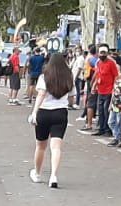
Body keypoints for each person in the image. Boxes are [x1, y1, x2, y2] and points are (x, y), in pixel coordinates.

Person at [28, 53, 74, 188]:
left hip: (44, 113)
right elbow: (72, 97)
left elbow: (41, 94)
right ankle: (53, 175)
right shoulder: (68, 77)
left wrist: (34, 112)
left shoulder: (44, 77)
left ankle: (37, 173)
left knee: (41, 146)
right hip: (60, 113)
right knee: (56, 147)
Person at [92, 44, 118, 136]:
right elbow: (98, 75)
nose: (102, 55)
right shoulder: (99, 63)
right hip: (100, 90)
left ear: (106, 54)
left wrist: (115, 88)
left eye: (104, 53)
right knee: (100, 110)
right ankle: (101, 128)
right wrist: (94, 86)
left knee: (106, 110)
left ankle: (108, 129)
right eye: (101, 53)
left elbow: (115, 76)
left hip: (109, 90)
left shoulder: (111, 63)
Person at [107, 65, 121, 146]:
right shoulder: (117, 81)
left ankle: (117, 138)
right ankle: (118, 137)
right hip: (114, 104)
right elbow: (113, 92)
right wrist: (110, 104)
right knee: (110, 122)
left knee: (118, 123)